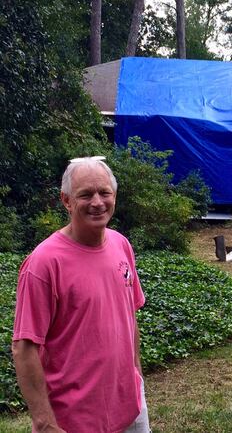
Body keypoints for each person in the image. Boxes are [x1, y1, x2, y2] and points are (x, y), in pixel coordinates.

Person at [12, 157, 150, 433]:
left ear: (114, 195)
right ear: (66, 201)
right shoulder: (44, 263)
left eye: (104, 192)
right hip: (74, 420)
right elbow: (24, 348)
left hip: (131, 409)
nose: (97, 202)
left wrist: (137, 378)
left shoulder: (121, 245)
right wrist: (44, 422)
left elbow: (129, 318)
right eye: (85, 194)